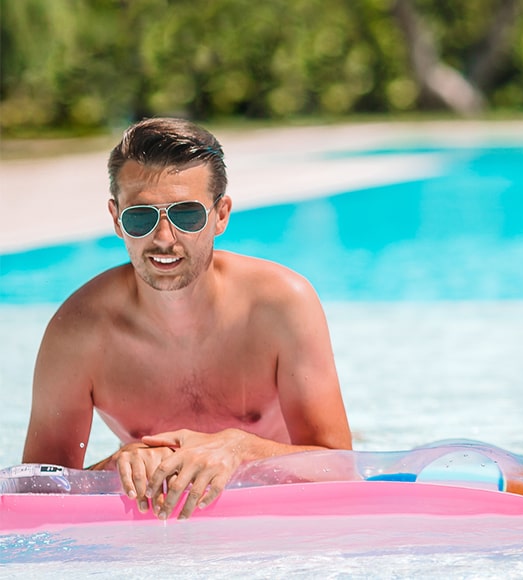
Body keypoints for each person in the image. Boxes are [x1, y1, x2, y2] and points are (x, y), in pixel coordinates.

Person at [21, 117, 352, 520]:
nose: (163, 238)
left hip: (272, 510)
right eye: (141, 217)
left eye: (187, 215)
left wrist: (240, 448)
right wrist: (110, 470)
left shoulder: (281, 306)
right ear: (116, 218)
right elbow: (35, 492)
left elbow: (342, 470)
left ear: (221, 215)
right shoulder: (78, 333)